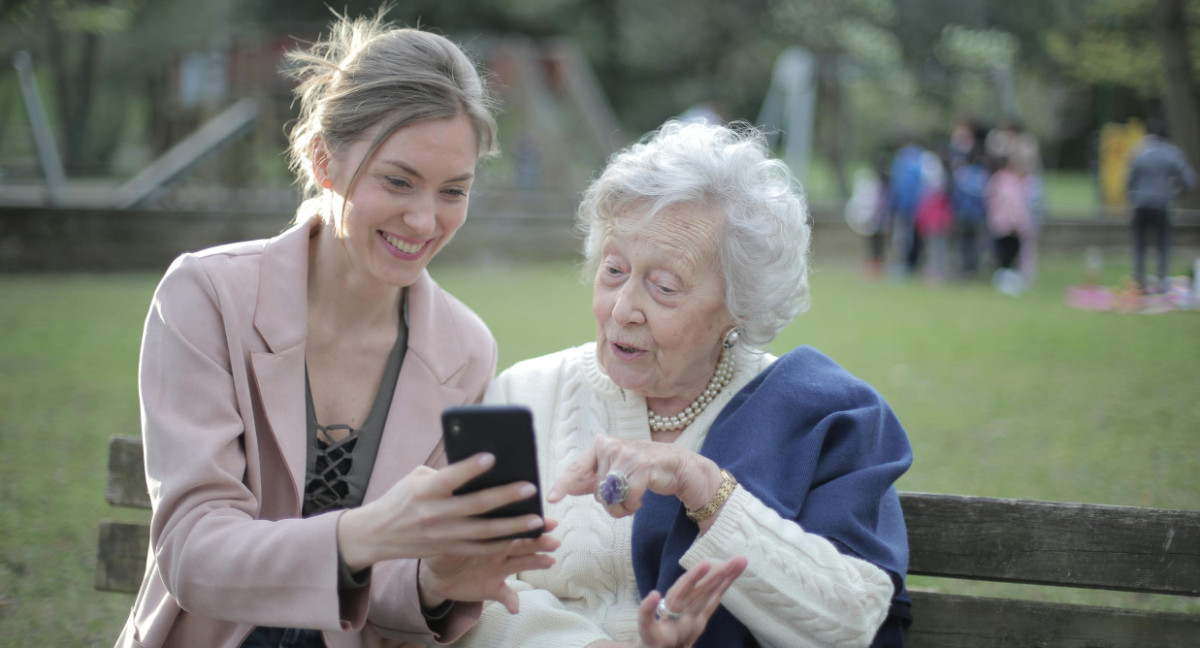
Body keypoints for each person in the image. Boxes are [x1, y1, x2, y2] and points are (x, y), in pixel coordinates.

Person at [117, 12, 559, 648]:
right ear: (325, 159)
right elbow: (192, 551)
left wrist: (437, 580)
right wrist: (366, 534)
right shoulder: (207, 295)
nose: (423, 219)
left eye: (453, 191)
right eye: (398, 181)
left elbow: (391, 589)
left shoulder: (464, 349)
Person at [445, 121, 913, 648]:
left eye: (664, 287)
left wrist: (704, 487)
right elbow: (468, 589)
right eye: (614, 270)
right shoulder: (526, 395)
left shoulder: (821, 414)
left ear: (741, 306)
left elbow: (853, 620)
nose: (622, 310)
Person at [1125, 116, 1197, 293]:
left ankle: (1140, 281)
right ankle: (1162, 282)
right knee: (1163, 245)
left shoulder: (1138, 151)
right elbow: (1190, 180)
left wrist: (1134, 197)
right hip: (1162, 204)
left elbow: (1129, 182)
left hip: (1140, 205)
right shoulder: (1172, 153)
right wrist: (1178, 191)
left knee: (1140, 245)